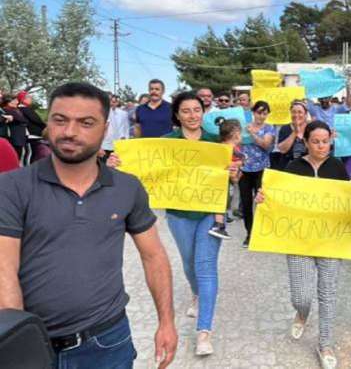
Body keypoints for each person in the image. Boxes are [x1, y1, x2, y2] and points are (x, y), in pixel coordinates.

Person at [0, 82, 177, 368]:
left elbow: (153, 255)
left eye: (86, 122)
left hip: (107, 343)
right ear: (48, 124)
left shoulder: (127, 187)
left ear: (105, 129)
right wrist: (17, 344)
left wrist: (166, 322)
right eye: (60, 120)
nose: (70, 131)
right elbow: (3, 269)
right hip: (36, 347)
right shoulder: (11, 186)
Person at [110, 91, 235, 356]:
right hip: (179, 213)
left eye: (197, 110)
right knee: (189, 263)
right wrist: (119, 163)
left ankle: (204, 331)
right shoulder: (166, 143)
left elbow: (232, 177)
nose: (192, 115)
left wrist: (234, 173)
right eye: (186, 111)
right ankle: (196, 294)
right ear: (177, 115)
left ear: (204, 112)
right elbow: (144, 169)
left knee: (206, 266)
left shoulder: (217, 143)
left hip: (210, 213)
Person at [255, 120, 346, 369]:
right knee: (302, 295)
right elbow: (277, 198)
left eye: (325, 141)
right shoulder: (293, 167)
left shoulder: (338, 167)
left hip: (330, 241)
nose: (320, 146)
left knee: (327, 294)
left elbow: (349, 201)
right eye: (315, 141)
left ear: (331, 141)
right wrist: (262, 198)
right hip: (299, 242)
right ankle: (302, 313)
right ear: (305, 142)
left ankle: (325, 343)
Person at [240, 101, 276, 247]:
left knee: (262, 203)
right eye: (259, 112)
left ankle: (264, 233)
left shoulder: (269, 128)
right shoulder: (244, 126)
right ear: (253, 112)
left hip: (262, 169)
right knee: (246, 203)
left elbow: (265, 144)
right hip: (245, 169)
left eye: (264, 112)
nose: (261, 115)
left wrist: (253, 133)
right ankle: (250, 233)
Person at [209, 119, 244, 240]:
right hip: (224, 181)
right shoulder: (232, 148)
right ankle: (218, 225)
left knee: (223, 202)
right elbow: (237, 161)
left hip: (225, 179)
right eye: (240, 133)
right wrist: (241, 161)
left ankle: (220, 224)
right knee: (222, 203)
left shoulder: (219, 147)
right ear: (235, 134)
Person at [278, 101, 310, 169]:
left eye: (300, 112)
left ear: (306, 114)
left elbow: (314, 149)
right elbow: (282, 150)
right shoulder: (285, 128)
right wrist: (295, 132)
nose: (296, 115)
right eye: (293, 112)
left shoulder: (311, 128)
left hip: (307, 167)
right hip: (288, 166)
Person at [17, 91, 47, 164]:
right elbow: (36, 120)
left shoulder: (23, 109)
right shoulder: (24, 109)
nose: (31, 99)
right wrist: (45, 126)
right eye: (29, 97)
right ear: (23, 99)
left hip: (33, 135)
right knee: (29, 154)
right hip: (31, 135)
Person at [100, 94, 130, 161]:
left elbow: (126, 127)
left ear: (117, 103)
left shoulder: (123, 113)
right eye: (110, 101)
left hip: (119, 143)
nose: (112, 103)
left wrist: (126, 138)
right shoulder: (104, 112)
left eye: (114, 102)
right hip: (106, 143)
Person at [0, 94, 28, 162]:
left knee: (19, 155)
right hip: (14, 137)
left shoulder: (16, 110)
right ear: (9, 102)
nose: (17, 102)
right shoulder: (6, 110)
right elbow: (22, 120)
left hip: (19, 136)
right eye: (15, 100)